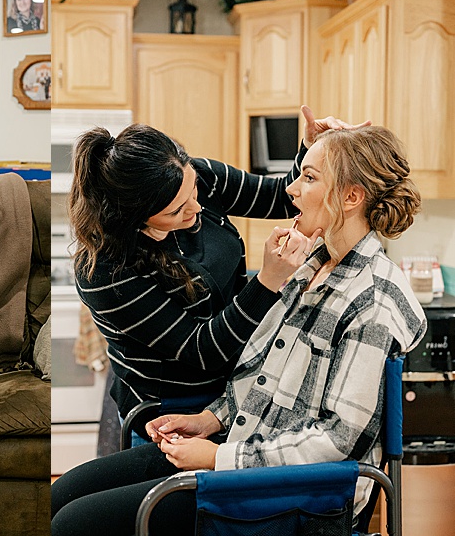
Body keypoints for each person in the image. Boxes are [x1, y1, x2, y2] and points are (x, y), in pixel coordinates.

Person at [52, 125, 426, 535]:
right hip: (243, 443)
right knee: (60, 497)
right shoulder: (311, 265)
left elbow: (337, 441)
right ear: (137, 217)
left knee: (73, 523)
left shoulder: (372, 301)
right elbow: (263, 373)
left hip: (290, 488)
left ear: (352, 196)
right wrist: (212, 420)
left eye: (309, 176)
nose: (291, 189)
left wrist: (217, 457)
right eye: (178, 209)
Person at [70, 106, 367, 444]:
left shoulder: (196, 177)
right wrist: (268, 280)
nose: (195, 210)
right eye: (176, 211)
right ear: (134, 218)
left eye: (193, 192)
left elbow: (279, 198)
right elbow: (203, 350)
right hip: (173, 409)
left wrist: (309, 151)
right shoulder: (106, 271)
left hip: (237, 387)